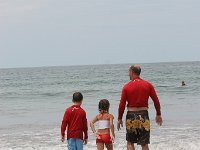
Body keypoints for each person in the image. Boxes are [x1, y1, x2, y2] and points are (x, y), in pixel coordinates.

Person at [117, 65, 163, 150]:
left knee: (130, 142)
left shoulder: (126, 87)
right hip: (144, 115)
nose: (128, 74)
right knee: (144, 143)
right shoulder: (148, 85)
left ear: (132, 72)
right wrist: (158, 114)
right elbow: (156, 101)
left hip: (131, 116)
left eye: (129, 72)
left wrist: (119, 118)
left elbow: (121, 105)